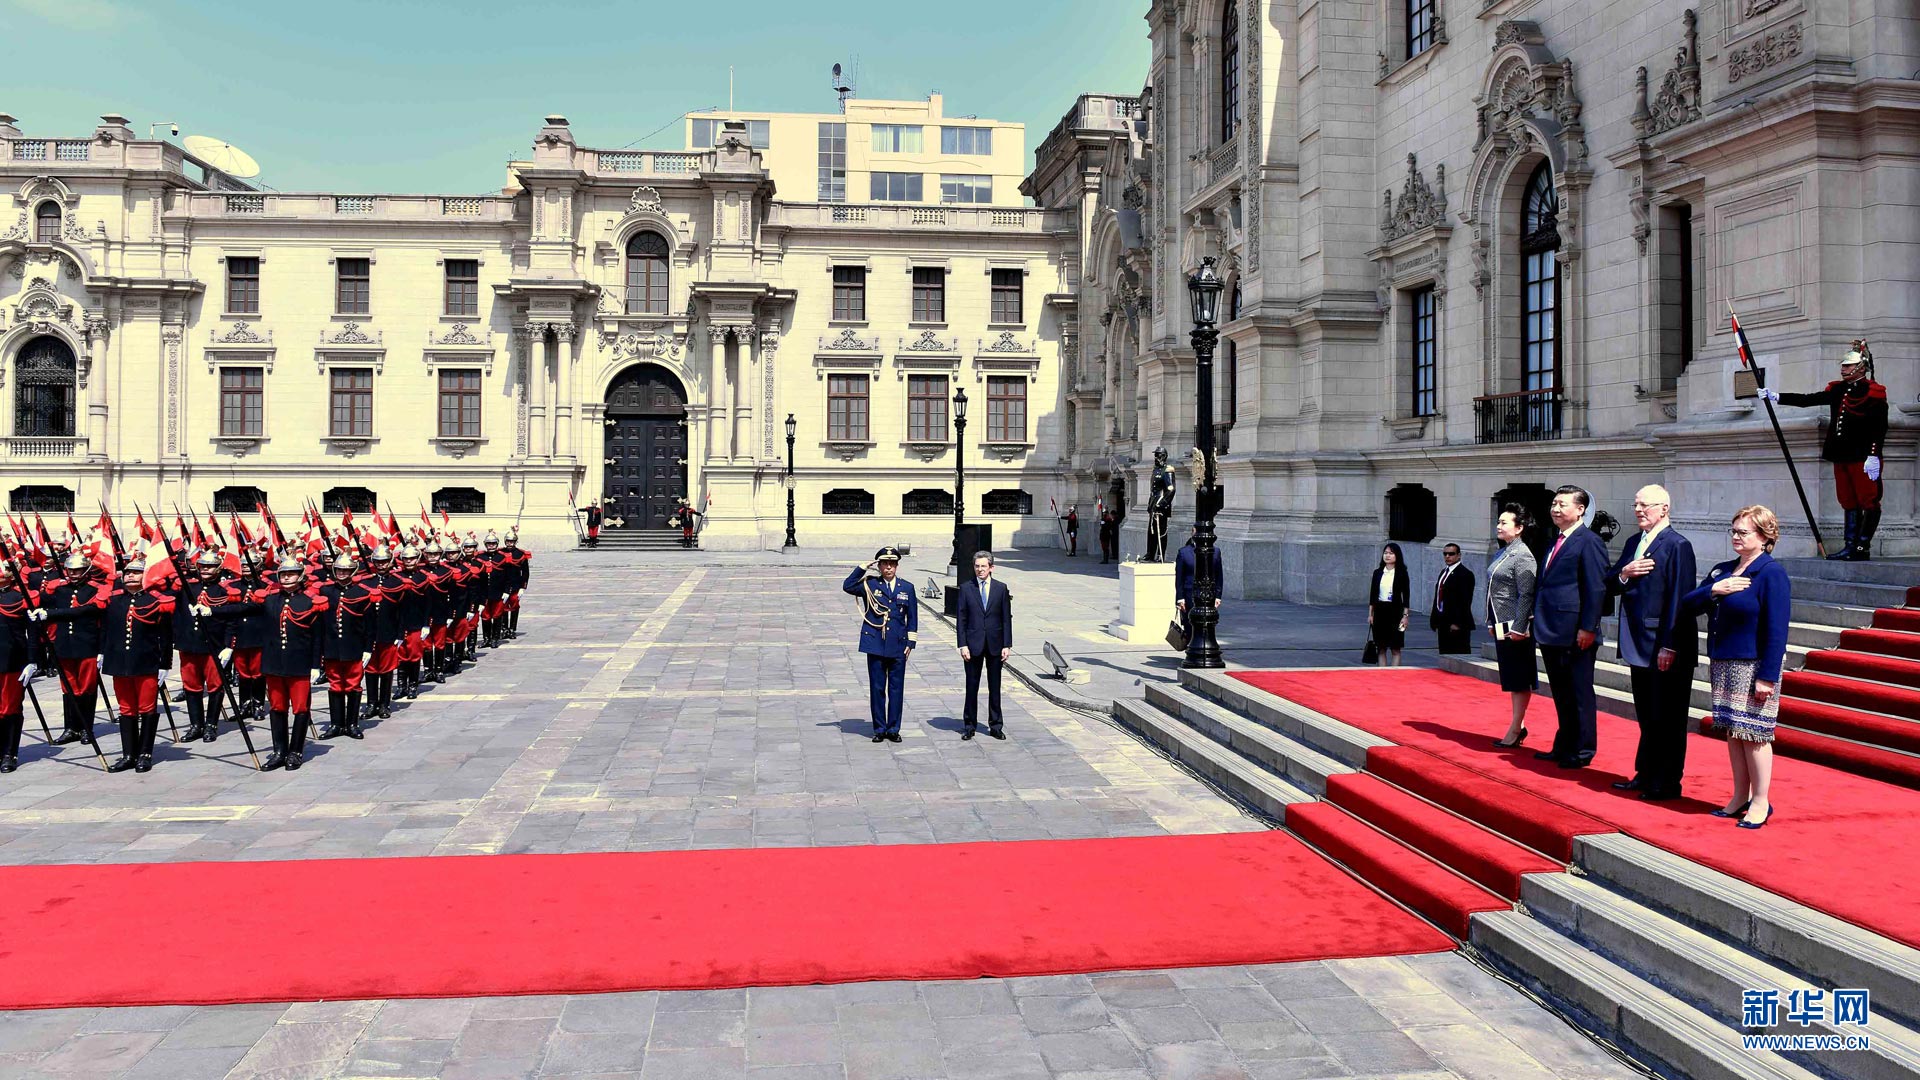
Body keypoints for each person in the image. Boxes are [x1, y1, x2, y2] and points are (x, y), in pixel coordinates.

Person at [1684, 505, 1791, 829]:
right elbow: (1688, 604)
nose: (1736, 537)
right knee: (1734, 731)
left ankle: (1761, 800)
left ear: (1764, 537)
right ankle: (1740, 795)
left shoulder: (1771, 573)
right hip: (1724, 662)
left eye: (1743, 532)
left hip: (1754, 665)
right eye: (1733, 531)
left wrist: (1767, 677)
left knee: (1755, 733)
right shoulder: (1723, 570)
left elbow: (1777, 630)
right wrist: (1714, 590)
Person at [1606, 485, 1699, 801]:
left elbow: (1680, 598)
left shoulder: (1677, 545)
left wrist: (1670, 644)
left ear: (1664, 508)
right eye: (1636, 504)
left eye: (1645, 505)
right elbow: (1610, 582)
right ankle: (1646, 774)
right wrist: (1625, 573)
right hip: (1638, 641)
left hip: (1664, 644)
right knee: (1647, 715)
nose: (1638, 510)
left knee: (1669, 717)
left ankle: (1667, 782)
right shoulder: (1634, 542)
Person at [1760, 341, 1887, 560]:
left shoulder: (1873, 392)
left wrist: (1873, 455)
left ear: (1861, 368)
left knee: (1869, 501)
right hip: (1841, 454)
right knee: (1848, 500)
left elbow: (1879, 427)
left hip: (1863, 457)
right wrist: (1777, 396)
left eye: (1848, 366)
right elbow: (1809, 400)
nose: (1843, 369)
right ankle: (1850, 545)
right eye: (1843, 365)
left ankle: (1861, 547)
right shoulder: (1838, 389)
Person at [226, 557, 329, 771]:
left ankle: (295, 752)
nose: (286, 577)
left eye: (291, 574)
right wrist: (209, 611)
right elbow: (242, 609)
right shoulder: (270, 600)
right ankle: (279, 751)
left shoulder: (310, 601)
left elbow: (317, 637)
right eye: (283, 574)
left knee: (300, 708)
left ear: (300, 576)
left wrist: (316, 665)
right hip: (274, 664)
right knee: (277, 707)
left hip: (299, 664)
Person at [1533, 485, 1609, 769]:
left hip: (1576, 631)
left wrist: (1588, 627)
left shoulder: (1589, 541)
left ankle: (1582, 749)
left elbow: (1595, 588)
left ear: (1580, 510)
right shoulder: (1556, 540)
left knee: (1579, 693)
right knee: (1561, 692)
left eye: (1562, 504)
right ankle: (1564, 744)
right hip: (1552, 628)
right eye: (1554, 503)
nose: (1555, 508)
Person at [843, 546, 917, 744]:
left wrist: (911, 642)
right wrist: (862, 567)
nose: (889, 567)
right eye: (884, 564)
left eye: (892, 564)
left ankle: (893, 729)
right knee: (877, 689)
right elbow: (847, 586)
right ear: (879, 566)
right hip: (875, 643)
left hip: (898, 645)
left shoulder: (907, 587)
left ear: (897, 566)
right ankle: (879, 729)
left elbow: (912, 618)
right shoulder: (870, 584)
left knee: (896, 689)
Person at [40, 552, 107, 748]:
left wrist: (102, 649)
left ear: (86, 570)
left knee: (87, 689)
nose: (73, 574)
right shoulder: (60, 589)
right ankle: (70, 728)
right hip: (64, 646)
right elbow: (41, 602)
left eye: (77, 570)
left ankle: (86, 728)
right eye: (70, 570)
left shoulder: (95, 590)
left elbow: (91, 613)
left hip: (87, 645)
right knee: (68, 688)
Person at [1486, 505, 1539, 748]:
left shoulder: (1523, 555)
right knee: (1510, 677)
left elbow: (1526, 594)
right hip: (1502, 623)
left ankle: (1516, 728)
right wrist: (1492, 621)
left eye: (1504, 523)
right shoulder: (1504, 552)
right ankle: (1519, 724)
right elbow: (1495, 591)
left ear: (1519, 528)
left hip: (1516, 626)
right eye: (1499, 522)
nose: (1499, 526)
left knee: (1518, 678)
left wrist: (1519, 627)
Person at [172, 549, 234, 743]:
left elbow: (231, 620)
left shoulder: (224, 591)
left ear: (218, 569)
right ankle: (196, 725)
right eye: (202, 566)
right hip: (189, 644)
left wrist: (229, 645)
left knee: (215, 686)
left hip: (213, 645)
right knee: (191, 686)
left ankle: (211, 725)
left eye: (210, 566)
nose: (205, 569)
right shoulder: (187, 588)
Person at [317, 552, 374, 741]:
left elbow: (369, 624)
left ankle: (352, 724)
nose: (342, 573)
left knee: (353, 685)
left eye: (346, 570)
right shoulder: (325, 591)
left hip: (353, 646)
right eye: (339, 569)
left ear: (353, 571)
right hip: (332, 646)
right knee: (335, 685)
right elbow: (320, 623)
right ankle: (336, 724)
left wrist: (368, 648)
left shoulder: (362, 593)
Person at [956, 550, 1013, 740]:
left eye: (983, 566)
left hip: (995, 644)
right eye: (977, 566)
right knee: (971, 686)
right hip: (973, 645)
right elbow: (961, 619)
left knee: (994, 687)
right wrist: (962, 644)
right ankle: (969, 725)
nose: (980, 569)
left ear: (991, 568)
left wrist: (1007, 644)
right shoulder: (966, 588)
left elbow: (1006, 618)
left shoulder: (1001, 588)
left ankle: (995, 725)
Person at [361, 547, 407, 721]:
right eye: (378, 562)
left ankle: (384, 704)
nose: (381, 565)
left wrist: (400, 634)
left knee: (386, 670)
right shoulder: (367, 583)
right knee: (371, 670)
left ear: (390, 562)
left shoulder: (397, 583)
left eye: (384, 562)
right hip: (369, 634)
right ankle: (371, 703)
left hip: (388, 632)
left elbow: (402, 611)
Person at [0, 560, 34, 773]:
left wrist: (32, 660)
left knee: (9, 708)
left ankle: (9, 753)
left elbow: (33, 632)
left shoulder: (19, 597)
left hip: (11, 661)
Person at [1174, 528, 1223, 645]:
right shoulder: (1184, 552)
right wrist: (1180, 598)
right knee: (1190, 624)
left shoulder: (1215, 552)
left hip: (1208, 595)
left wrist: (1218, 596)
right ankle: (1191, 647)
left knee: (1207, 624)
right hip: (1189, 595)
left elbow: (1219, 575)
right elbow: (1179, 577)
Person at [1367, 543, 1411, 667]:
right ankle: (1382, 673)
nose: (1387, 556)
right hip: (1380, 611)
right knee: (1381, 647)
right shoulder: (1377, 573)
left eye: (1391, 553)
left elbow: (1406, 596)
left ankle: (1394, 674)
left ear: (1397, 555)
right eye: (1385, 553)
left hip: (1396, 612)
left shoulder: (1402, 573)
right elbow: (1373, 595)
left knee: (1396, 647)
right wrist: (1370, 614)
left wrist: (1405, 616)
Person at [1430, 543, 1476, 655]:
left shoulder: (1465, 574)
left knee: (1458, 655)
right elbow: (1438, 596)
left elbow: (1465, 601)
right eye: (1445, 554)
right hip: (1443, 622)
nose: (1447, 556)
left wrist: (1457, 623)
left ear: (1458, 555)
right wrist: (1434, 619)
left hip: (1456, 624)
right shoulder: (1444, 572)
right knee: (1444, 655)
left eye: (1451, 554)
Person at [1144, 448, 1176, 562]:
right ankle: (1150, 553)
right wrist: (1151, 504)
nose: (1155, 458)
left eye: (1158, 455)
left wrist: (1161, 504)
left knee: (1161, 531)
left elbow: (1171, 489)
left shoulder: (1168, 470)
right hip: (1153, 503)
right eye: (1155, 455)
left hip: (1161, 505)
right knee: (1151, 530)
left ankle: (1160, 554)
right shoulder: (1156, 470)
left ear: (1163, 456)